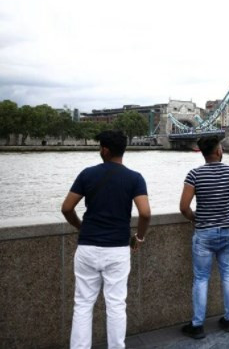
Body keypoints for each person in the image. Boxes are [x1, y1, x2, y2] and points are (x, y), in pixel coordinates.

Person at [61, 130, 151, 349]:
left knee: (82, 304)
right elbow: (145, 213)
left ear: (105, 150)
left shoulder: (87, 174)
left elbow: (66, 208)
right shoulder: (135, 178)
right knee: (116, 305)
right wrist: (138, 238)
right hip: (118, 250)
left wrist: (80, 226)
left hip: (88, 247)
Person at [179, 136, 229, 338]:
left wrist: (195, 219)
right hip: (228, 232)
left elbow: (184, 207)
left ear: (203, 153)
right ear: (218, 151)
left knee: (201, 278)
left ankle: (198, 325)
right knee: (228, 274)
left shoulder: (194, 174)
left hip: (204, 232)